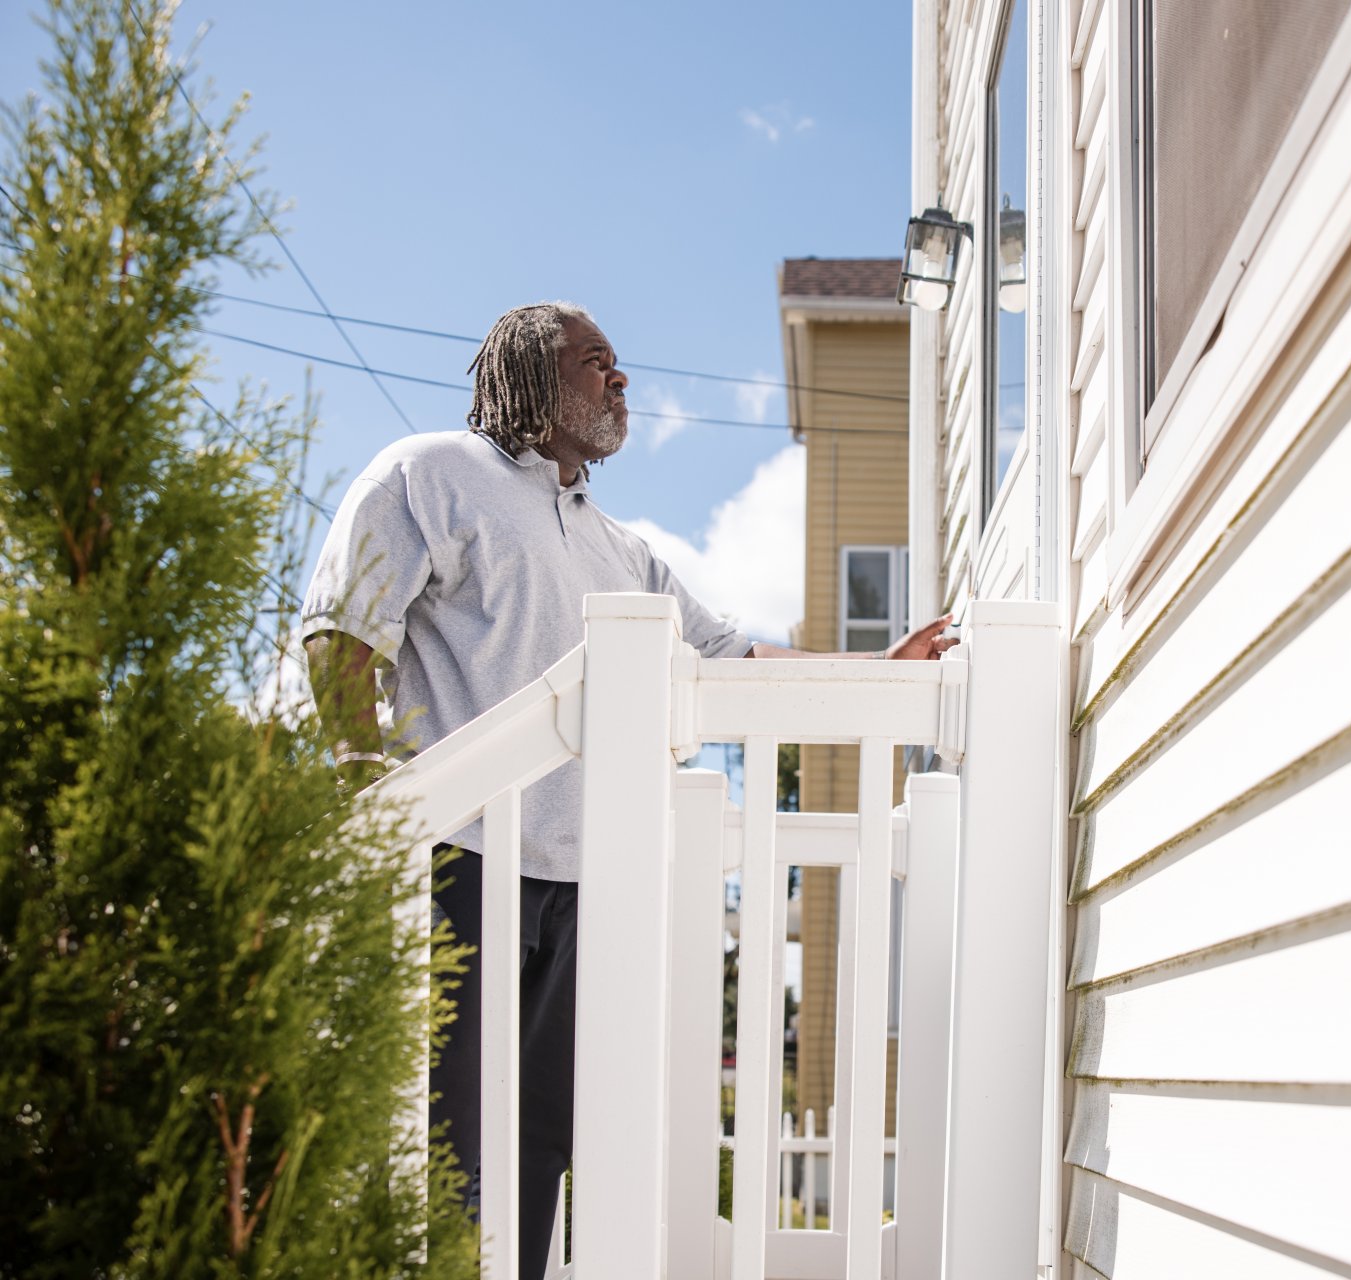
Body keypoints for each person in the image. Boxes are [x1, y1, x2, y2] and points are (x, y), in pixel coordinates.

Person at [300, 301, 953, 1276]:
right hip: (458, 863)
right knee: (450, 1139)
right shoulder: (426, 474)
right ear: (527, 374)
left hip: (594, 883)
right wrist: (378, 804)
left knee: (554, 1138)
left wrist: (885, 665)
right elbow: (341, 635)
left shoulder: (624, 550)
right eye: (596, 361)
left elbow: (732, 656)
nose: (621, 380)